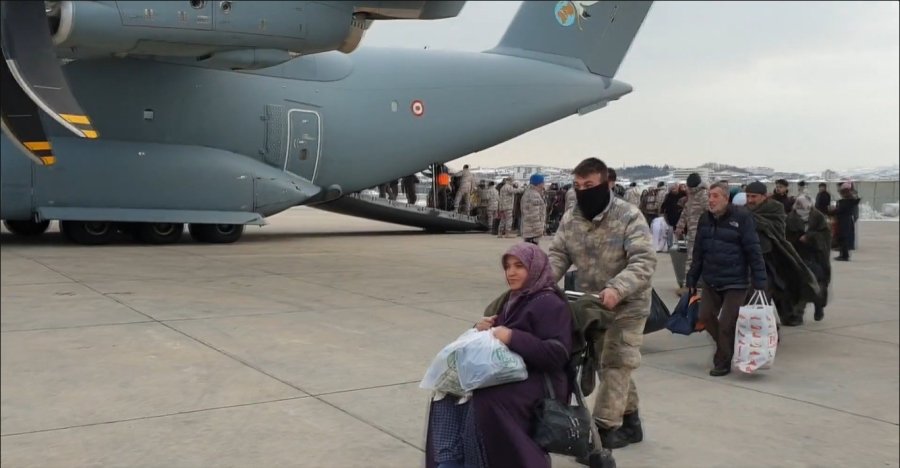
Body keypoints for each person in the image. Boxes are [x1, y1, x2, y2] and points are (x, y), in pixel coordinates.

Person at [424, 243, 574, 468]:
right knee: (447, 391)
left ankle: (478, 462)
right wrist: (482, 327)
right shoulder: (513, 298)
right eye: (507, 267)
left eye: (519, 266)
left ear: (534, 269)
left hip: (539, 378)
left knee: (483, 399)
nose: (511, 272)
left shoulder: (550, 304)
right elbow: (497, 336)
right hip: (507, 370)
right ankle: (449, 462)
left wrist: (512, 337)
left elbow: (557, 354)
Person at [548, 157, 656, 449]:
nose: (583, 190)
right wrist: (541, 281)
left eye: (590, 185)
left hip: (627, 304)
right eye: (578, 185)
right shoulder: (572, 218)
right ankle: (631, 422)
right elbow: (558, 253)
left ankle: (602, 431)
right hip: (592, 305)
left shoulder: (629, 216)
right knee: (610, 365)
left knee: (616, 361)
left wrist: (617, 288)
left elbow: (644, 260)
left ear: (608, 183)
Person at [686, 182, 767, 376]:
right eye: (709, 196)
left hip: (736, 281)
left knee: (726, 323)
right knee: (704, 316)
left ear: (726, 198)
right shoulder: (705, 219)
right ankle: (726, 346)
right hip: (712, 279)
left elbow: (753, 250)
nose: (711, 200)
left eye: (715, 196)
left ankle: (722, 361)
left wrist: (760, 281)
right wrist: (691, 279)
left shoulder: (742, 218)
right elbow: (698, 252)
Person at [745, 181, 819, 326]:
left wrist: (750, 220)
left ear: (764, 196)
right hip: (753, 257)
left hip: (774, 255)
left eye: (753, 196)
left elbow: (775, 228)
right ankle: (760, 324)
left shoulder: (775, 208)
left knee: (780, 287)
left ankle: (787, 317)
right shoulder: (744, 210)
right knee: (759, 291)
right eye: (747, 196)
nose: (750, 200)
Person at [786, 196, 831, 321]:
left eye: (803, 205)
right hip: (798, 255)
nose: (801, 207)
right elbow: (786, 237)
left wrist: (811, 237)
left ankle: (818, 307)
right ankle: (799, 311)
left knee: (818, 283)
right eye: (798, 205)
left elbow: (826, 236)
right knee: (801, 283)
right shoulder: (790, 218)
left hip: (816, 256)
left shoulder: (818, 217)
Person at [675, 173, 708, 292]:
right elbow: (685, 212)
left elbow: (711, 211)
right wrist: (679, 227)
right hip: (692, 232)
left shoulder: (703, 195)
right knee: (690, 258)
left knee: (693, 258)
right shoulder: (692, 195)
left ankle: (690, 284)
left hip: (701, 232)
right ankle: (688, 284)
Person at [830, 182, 861, 261]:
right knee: (841, 237)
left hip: (844, 220)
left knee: (844, 237)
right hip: (844, 220)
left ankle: (844, 255)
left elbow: (841, 210)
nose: (841, 193)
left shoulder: (848, 201)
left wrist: (834, 210)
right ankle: (842, 254)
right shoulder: (848, 200)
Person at [520, 174, 548, 244]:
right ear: (539, 183)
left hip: (530, 229)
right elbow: (534, 215)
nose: (544, 184)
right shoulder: (534, 195)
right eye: (543, 182)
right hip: (532, 230)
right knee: (532, 249)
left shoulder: (530, 192)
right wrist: (539, 229)